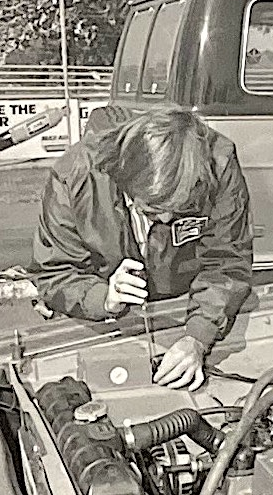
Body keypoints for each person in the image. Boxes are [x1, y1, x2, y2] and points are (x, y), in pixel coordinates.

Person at [29, 102, 253, 391]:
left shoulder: (218, 166)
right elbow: (53, 272)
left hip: (183, 312)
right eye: (154, 209)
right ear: (125, 182)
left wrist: (198, 336)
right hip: (99, 323)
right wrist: (104, 298)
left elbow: (227, 262)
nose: (167, 219)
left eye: (180, 207)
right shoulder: (75, 177)